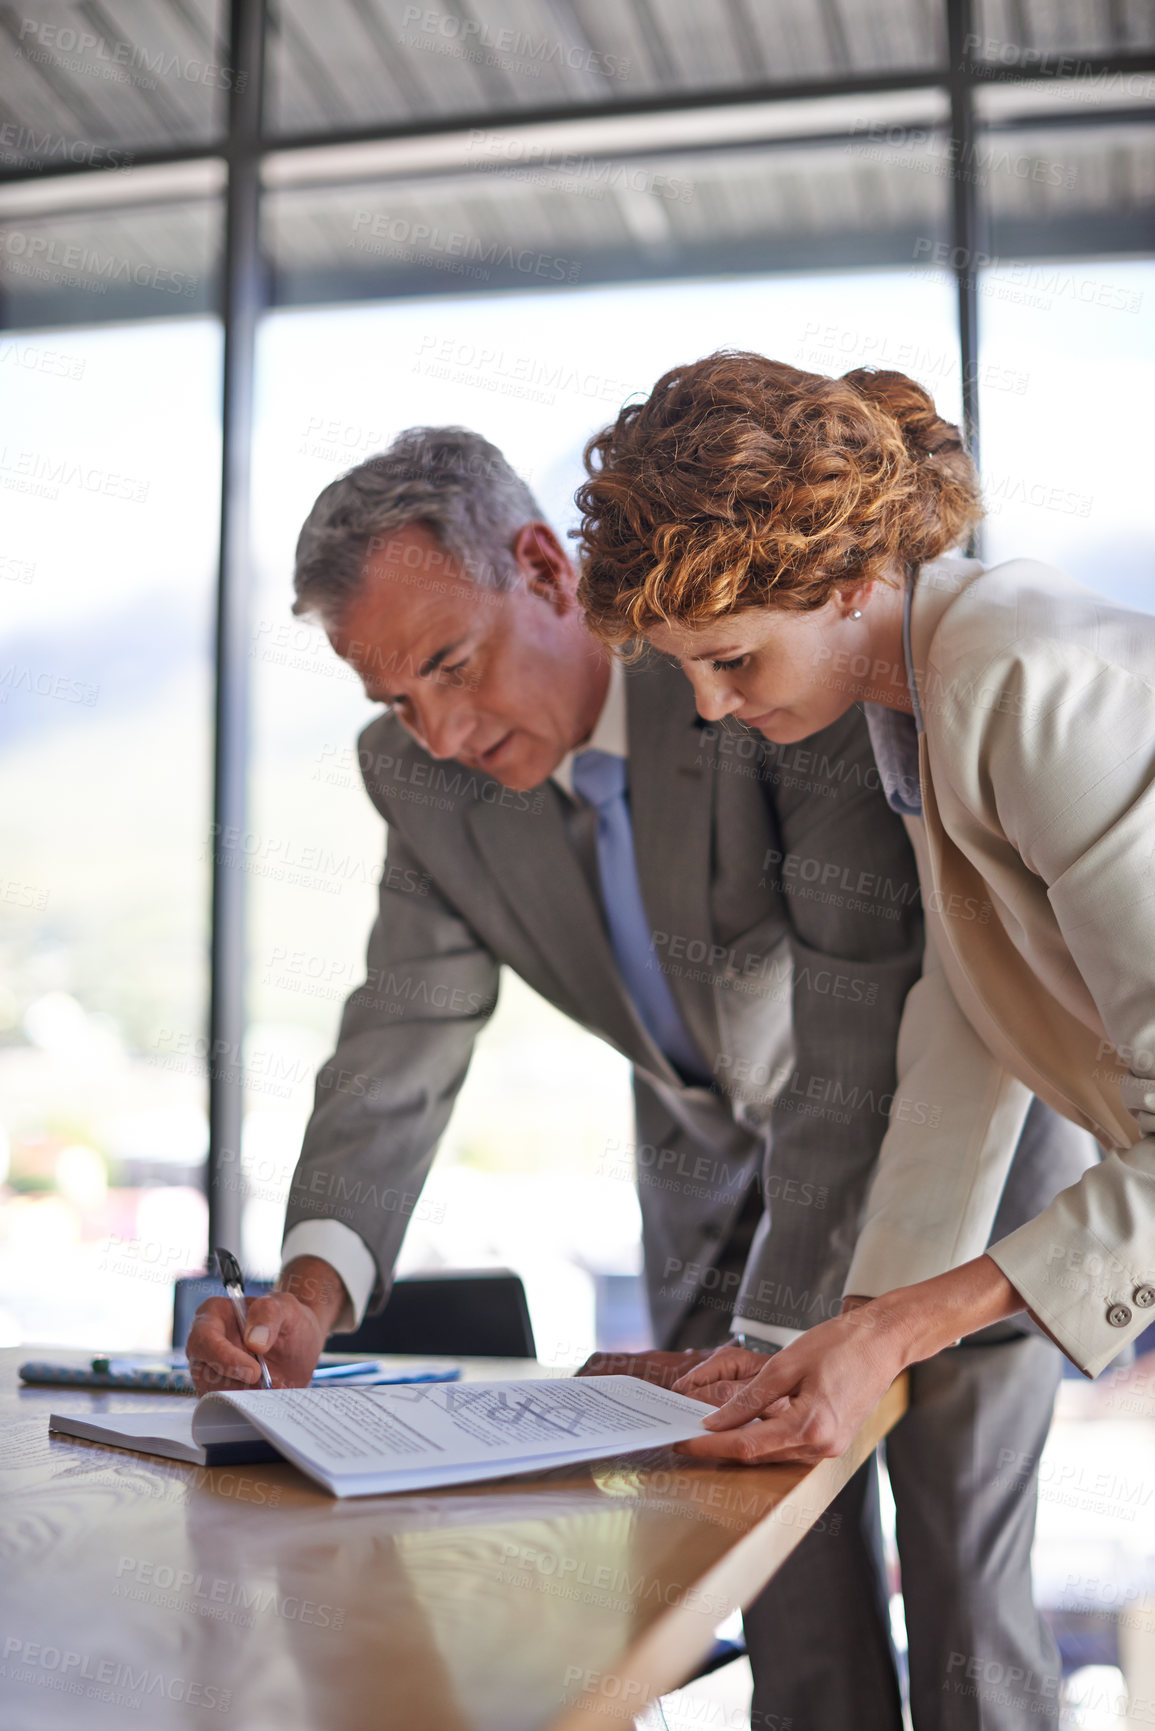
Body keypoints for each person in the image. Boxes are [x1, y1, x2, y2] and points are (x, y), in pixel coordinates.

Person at [187, 426, 1090, 1730]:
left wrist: (780, 1352)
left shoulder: (742, 669)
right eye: (394, 698)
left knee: (958, 1595)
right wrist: (310, 1293)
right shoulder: (421, 779)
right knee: (774, 1600)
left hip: (942, 1184)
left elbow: (857, 1030)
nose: (434, 728)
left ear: (546, 570)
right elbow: (401, 1028)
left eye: (448, 663)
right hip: (710, 1200)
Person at [575, 350, 1155, 1489]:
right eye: (688, 670)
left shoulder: (1021, 681)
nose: (711, 708)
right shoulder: (925, 702)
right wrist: (813, 1343)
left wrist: (896, 1331)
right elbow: (966, 1037)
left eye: (733, 658)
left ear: (847, 579)